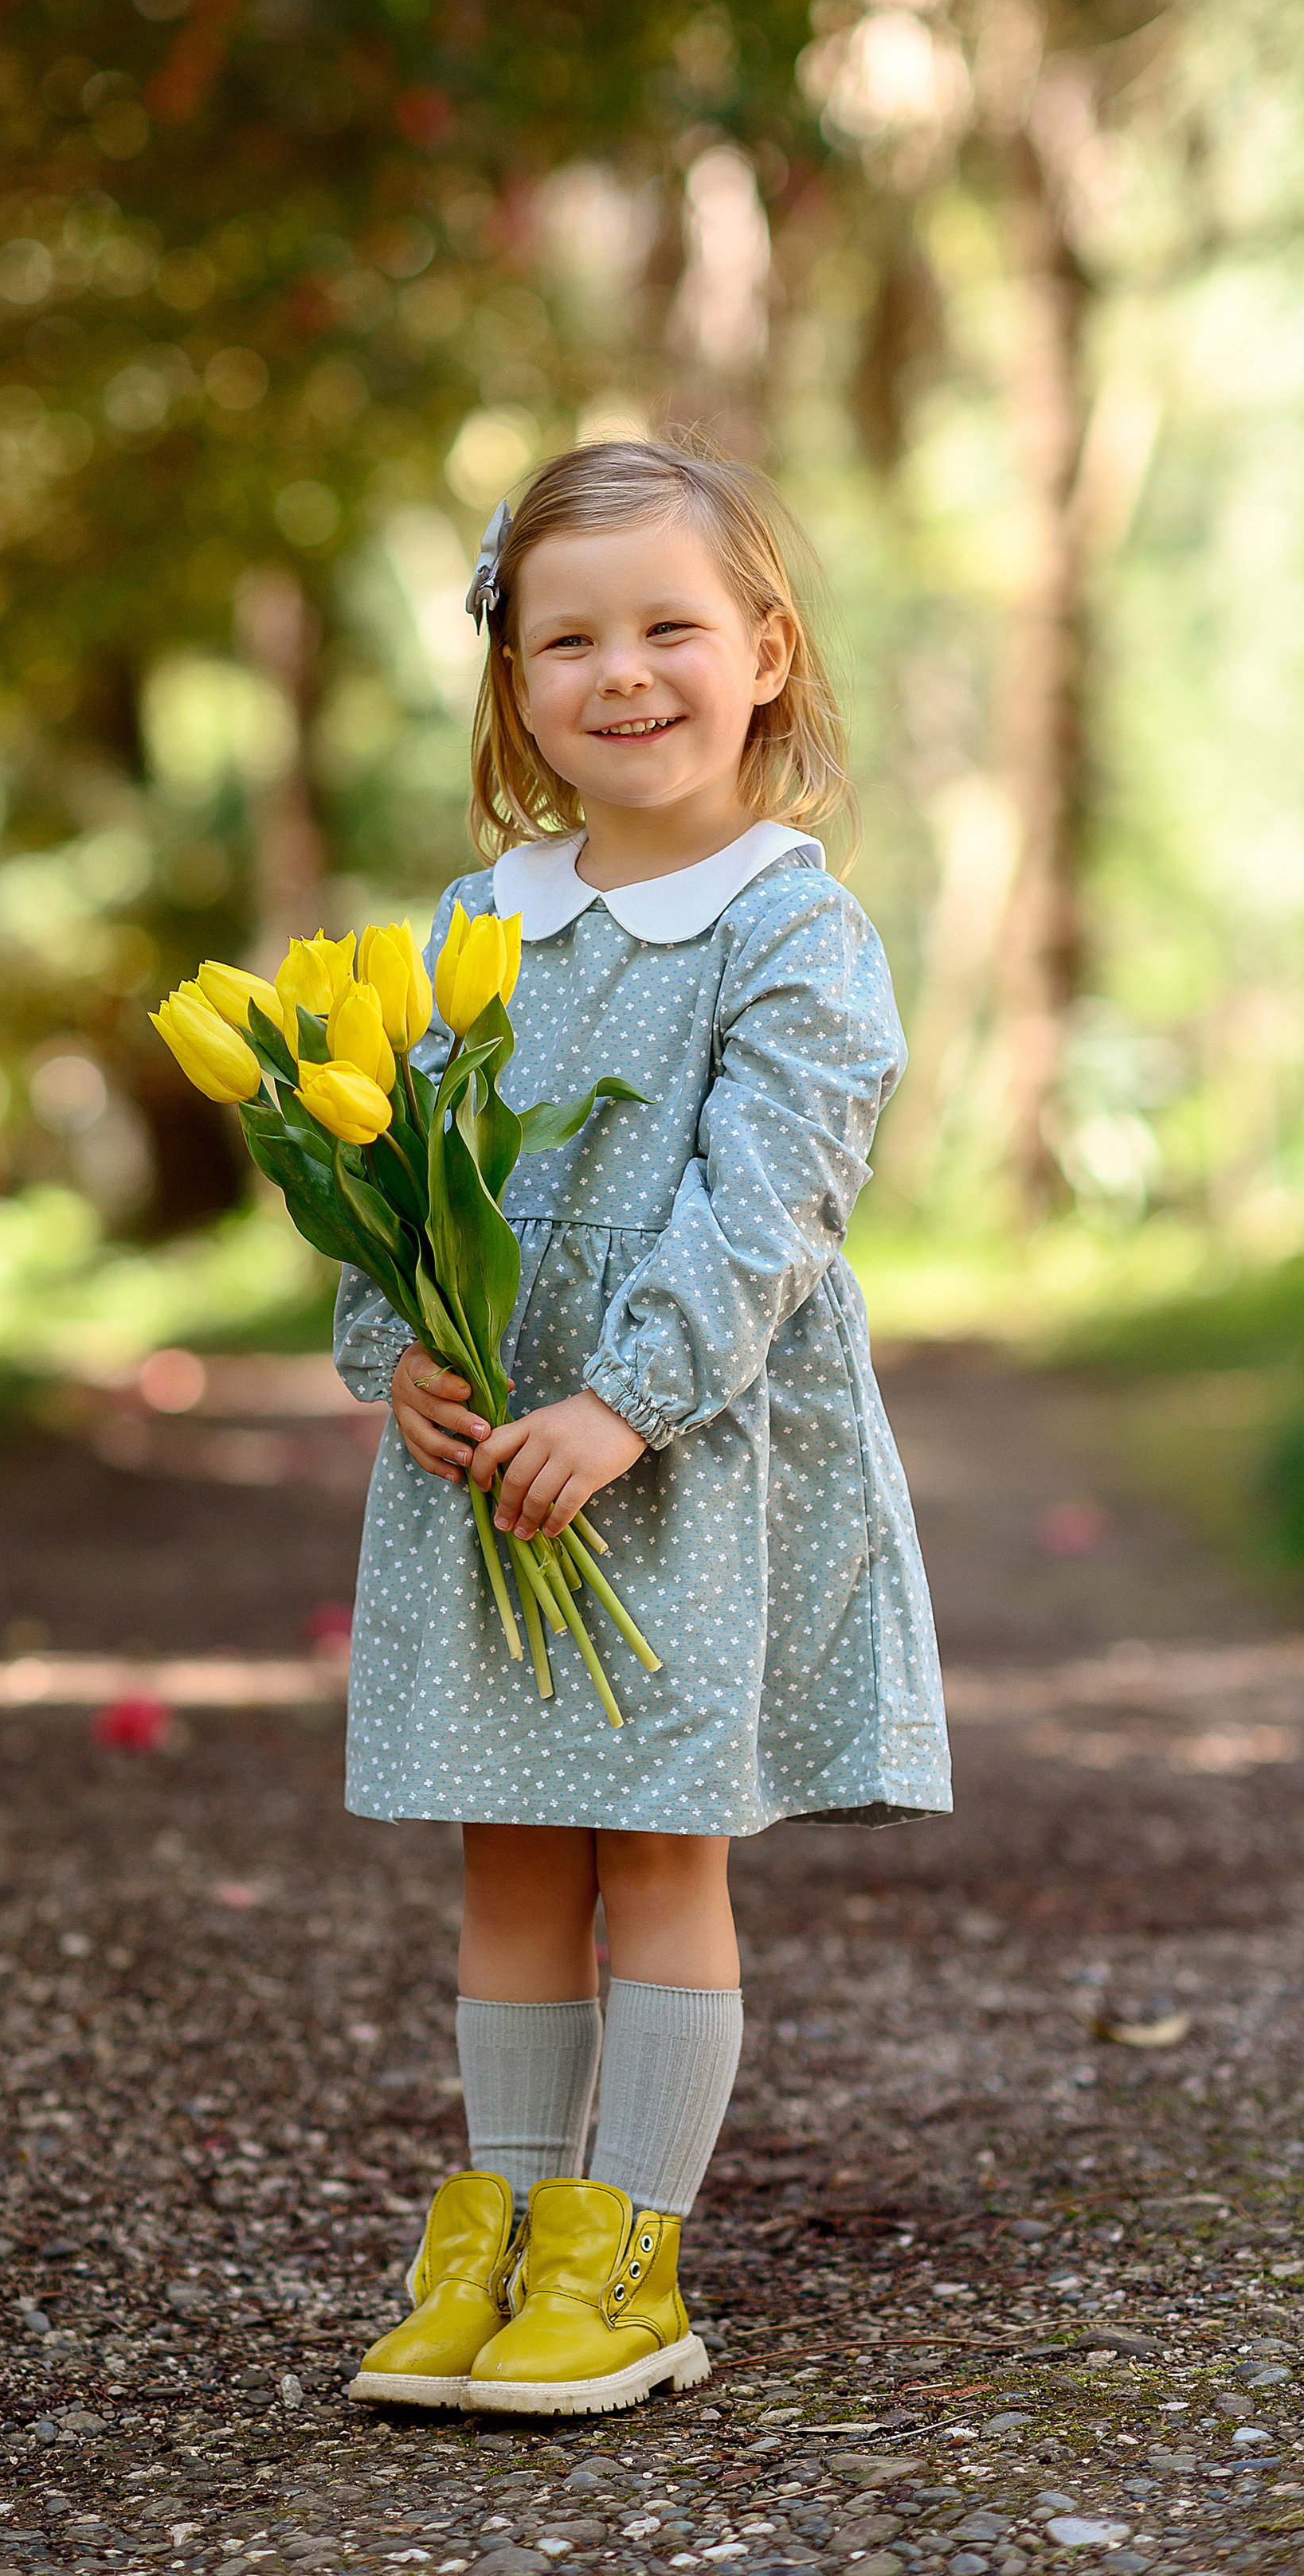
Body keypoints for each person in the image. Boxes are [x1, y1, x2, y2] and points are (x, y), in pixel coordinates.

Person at [331, 436, 950, 2419]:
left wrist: (624, 1399)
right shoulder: (472, 915)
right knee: (511, 1847)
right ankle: (501, 2232)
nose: (622, 673)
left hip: (671, 1454)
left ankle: (628, 2260)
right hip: (489, 1453)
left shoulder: (792, 924)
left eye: (668, 627)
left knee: (657, 1844)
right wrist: (394, 1348)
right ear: (511, 678)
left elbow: (766, 1198)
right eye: (564, 636)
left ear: (763, 650)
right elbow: (391, 1151)